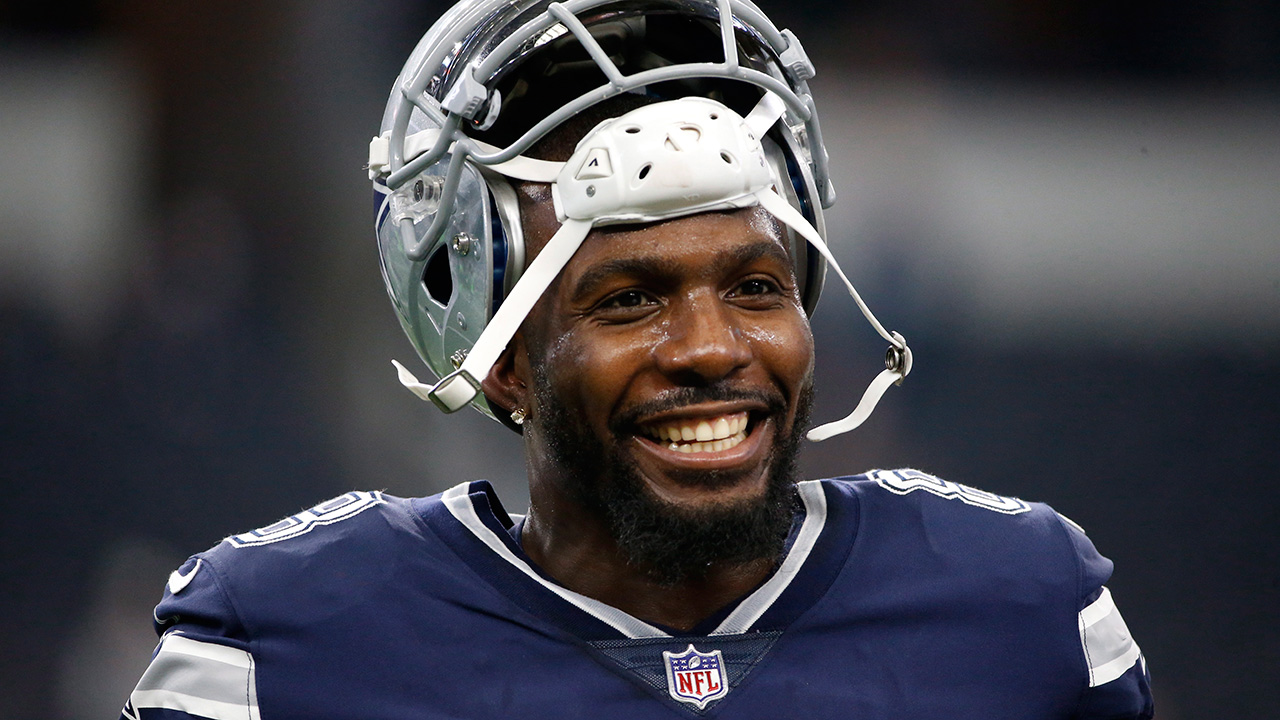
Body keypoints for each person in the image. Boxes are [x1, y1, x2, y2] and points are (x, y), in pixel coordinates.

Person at [120, 0, 1154, 717]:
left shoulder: (1020, 610)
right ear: (498, 359)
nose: (711, 348)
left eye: (755, 286)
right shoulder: (283, 650)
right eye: (628, 301)